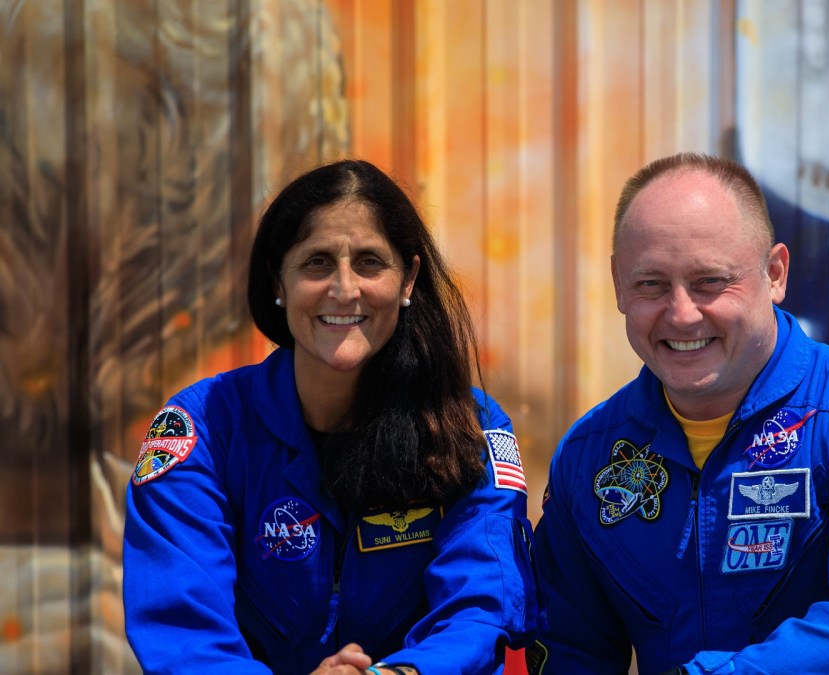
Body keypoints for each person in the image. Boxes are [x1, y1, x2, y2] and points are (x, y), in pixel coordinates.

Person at [529, 153, 829, 674]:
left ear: (775, 273)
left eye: (710, 281)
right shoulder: (589, 456)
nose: (682, 313)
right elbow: (569, 652)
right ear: (619, 285)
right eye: (650, 284)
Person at [123, 159, 538, 674]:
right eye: (317, 262)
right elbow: (182, 634)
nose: (344, 289)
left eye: (369, 262)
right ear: (279, 279)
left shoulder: (467, 425)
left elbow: (483, 606)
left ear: (408, 279)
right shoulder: (203, 429)